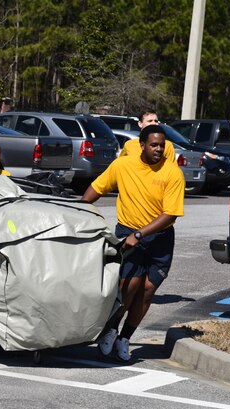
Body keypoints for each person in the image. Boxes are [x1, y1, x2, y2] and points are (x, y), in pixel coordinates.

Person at [82, 125, 185, 361]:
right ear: (142, 145)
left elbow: (170, 214)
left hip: (159, 237)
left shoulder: (172, 173)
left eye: (162, 145)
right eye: (154, 145)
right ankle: (111, 329)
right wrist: (79, 209)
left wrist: (139, 235)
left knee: (147, 291)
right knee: (128, 287)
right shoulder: (123, 165)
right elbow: (97, 188)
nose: (159, 149)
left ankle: (125, 337)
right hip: (128, 232)